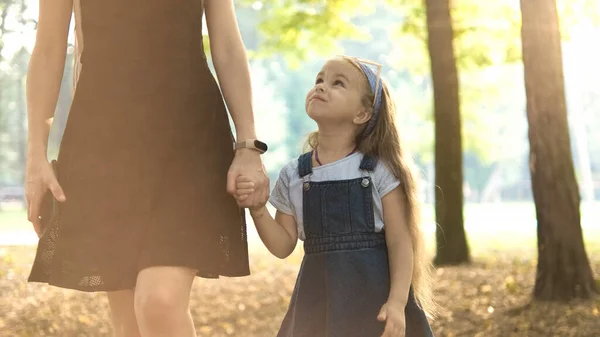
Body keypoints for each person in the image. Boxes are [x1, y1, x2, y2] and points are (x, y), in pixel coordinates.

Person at [24, 0, 269, 336]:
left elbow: (226, 45)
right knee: (129, 322)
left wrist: (247, 146)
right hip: (103, 144)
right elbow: (50, 47)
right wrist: (36, 156)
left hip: (189, 139)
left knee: (159, 302)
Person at [235, 55, 436, 337]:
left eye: (337, 83)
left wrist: (397, 302)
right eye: (319, 80)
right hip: (319, 305)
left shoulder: (378, 170)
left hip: (375, 300)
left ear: (362, 114)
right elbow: (282, 245)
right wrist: (257, 210)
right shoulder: (296, 174)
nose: (321, 87)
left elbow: (401, 242)